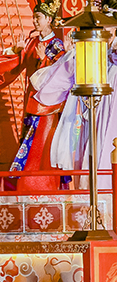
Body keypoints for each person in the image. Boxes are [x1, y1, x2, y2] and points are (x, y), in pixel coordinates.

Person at [0, 0, 66, 190]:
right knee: (29, 138)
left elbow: (62, 76)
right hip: (30, 100)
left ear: (49, 19)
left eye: (38, 17)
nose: (34, 21)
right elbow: (16, 64)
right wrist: (15, 50)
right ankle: (26, 183)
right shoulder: (32, 42)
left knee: (42, 142)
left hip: (48, 105)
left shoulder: (57, 46)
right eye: (34, 17)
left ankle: (43, 186)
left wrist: (44, 60)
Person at [33, 29, 117, 188]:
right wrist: (71, 54)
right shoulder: (92, 54)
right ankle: (94, 196)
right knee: (94, 151)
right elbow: (68, 75)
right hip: (95, 115)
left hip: (109, 112)